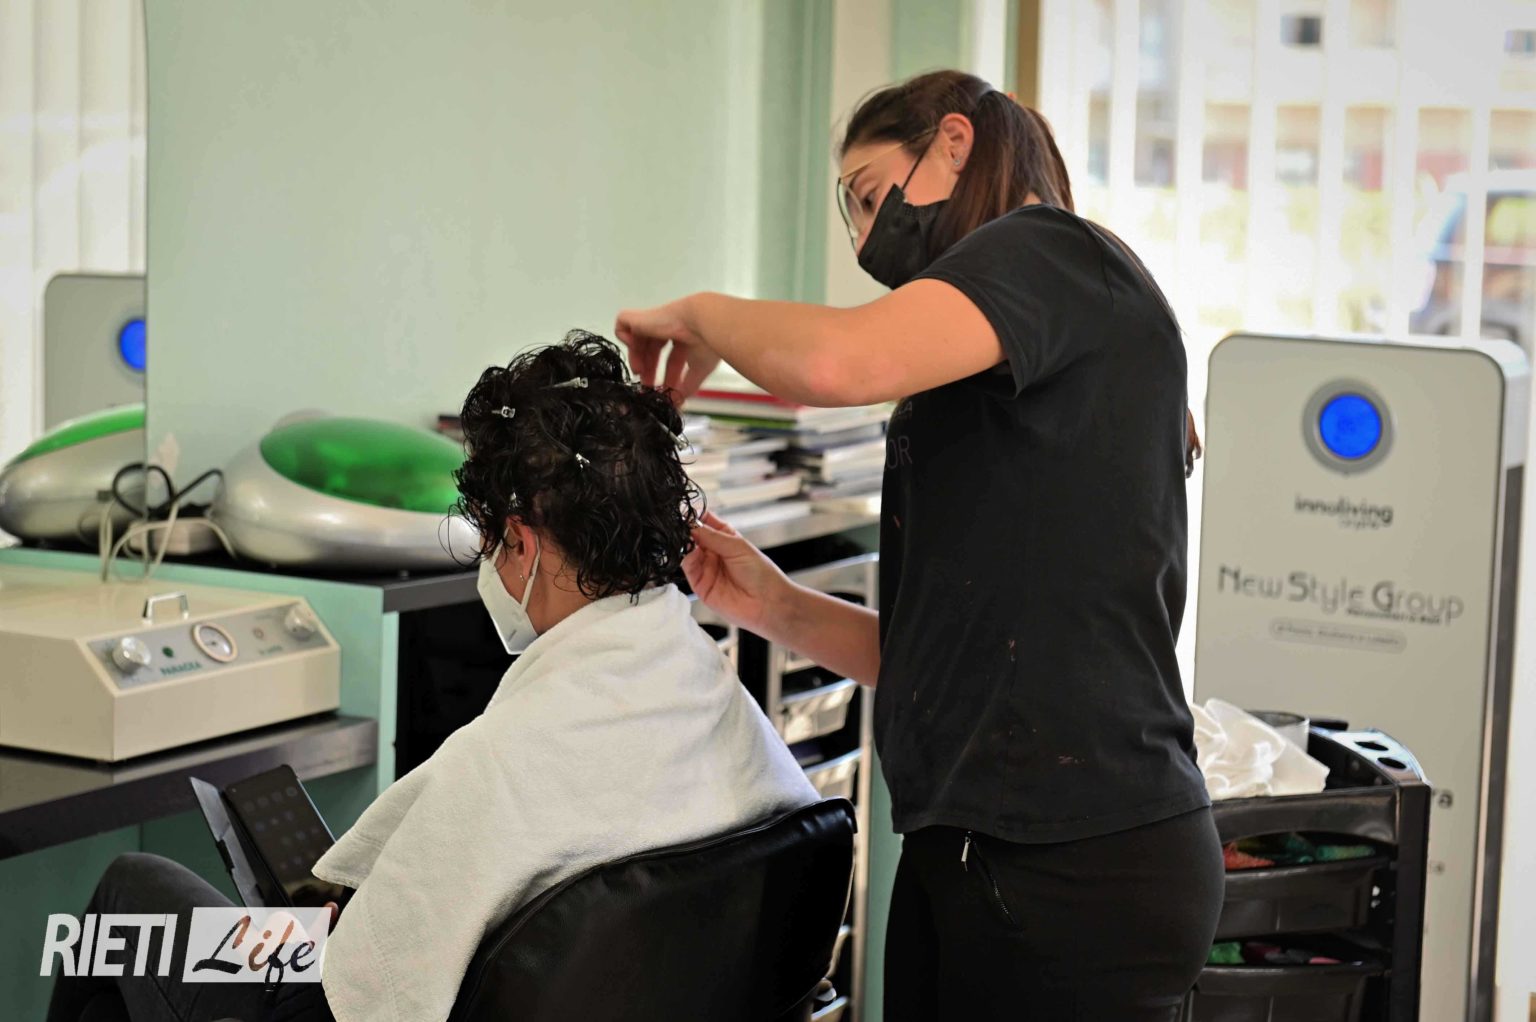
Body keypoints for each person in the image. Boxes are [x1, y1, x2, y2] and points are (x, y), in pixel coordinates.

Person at [617, 70, 1222, 1020]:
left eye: (868, 198)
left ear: (953, 142)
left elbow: (831, 364)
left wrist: (699, 314)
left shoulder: (1053, 253)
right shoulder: (1002, 368)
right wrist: (770, 602)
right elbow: (946, 658)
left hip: (1075, 860)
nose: (866, 241)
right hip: (978, 849)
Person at [48, 331, 819, 1022]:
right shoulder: (714, 697)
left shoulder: (501, 765)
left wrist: (336, 934)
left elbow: (359, 990)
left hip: (319, 1001)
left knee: (129, 892)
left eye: (488, 537)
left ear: (522, 541)